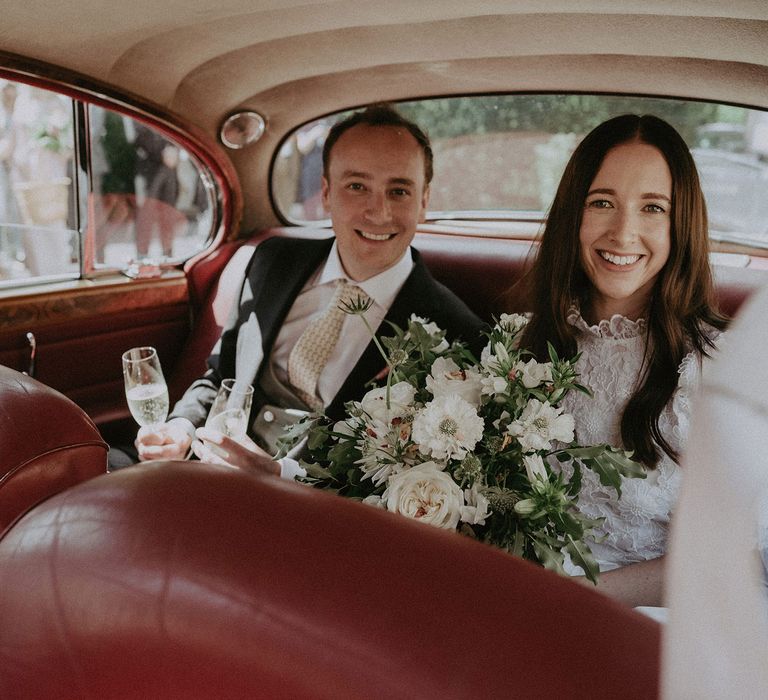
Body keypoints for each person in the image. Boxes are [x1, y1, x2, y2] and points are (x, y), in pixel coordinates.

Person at [134, 104, 484, 474]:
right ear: (327, 193)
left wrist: (281, 476)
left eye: (399, 191)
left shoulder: (456, 334)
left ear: (424, 201)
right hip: (204, 471)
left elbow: (408, 475)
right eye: (357, 187)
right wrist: (181, 429)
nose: (378, 212)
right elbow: (221, 376)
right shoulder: (272, 261)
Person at [517, 114, 728, 608]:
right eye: (602, 203)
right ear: (574, 215)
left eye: (652, 207)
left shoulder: (713, 371)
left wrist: (570, 598)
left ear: (681, 225)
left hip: (640, 617)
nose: (623, 231)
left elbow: (732, 556)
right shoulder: (524, 341)